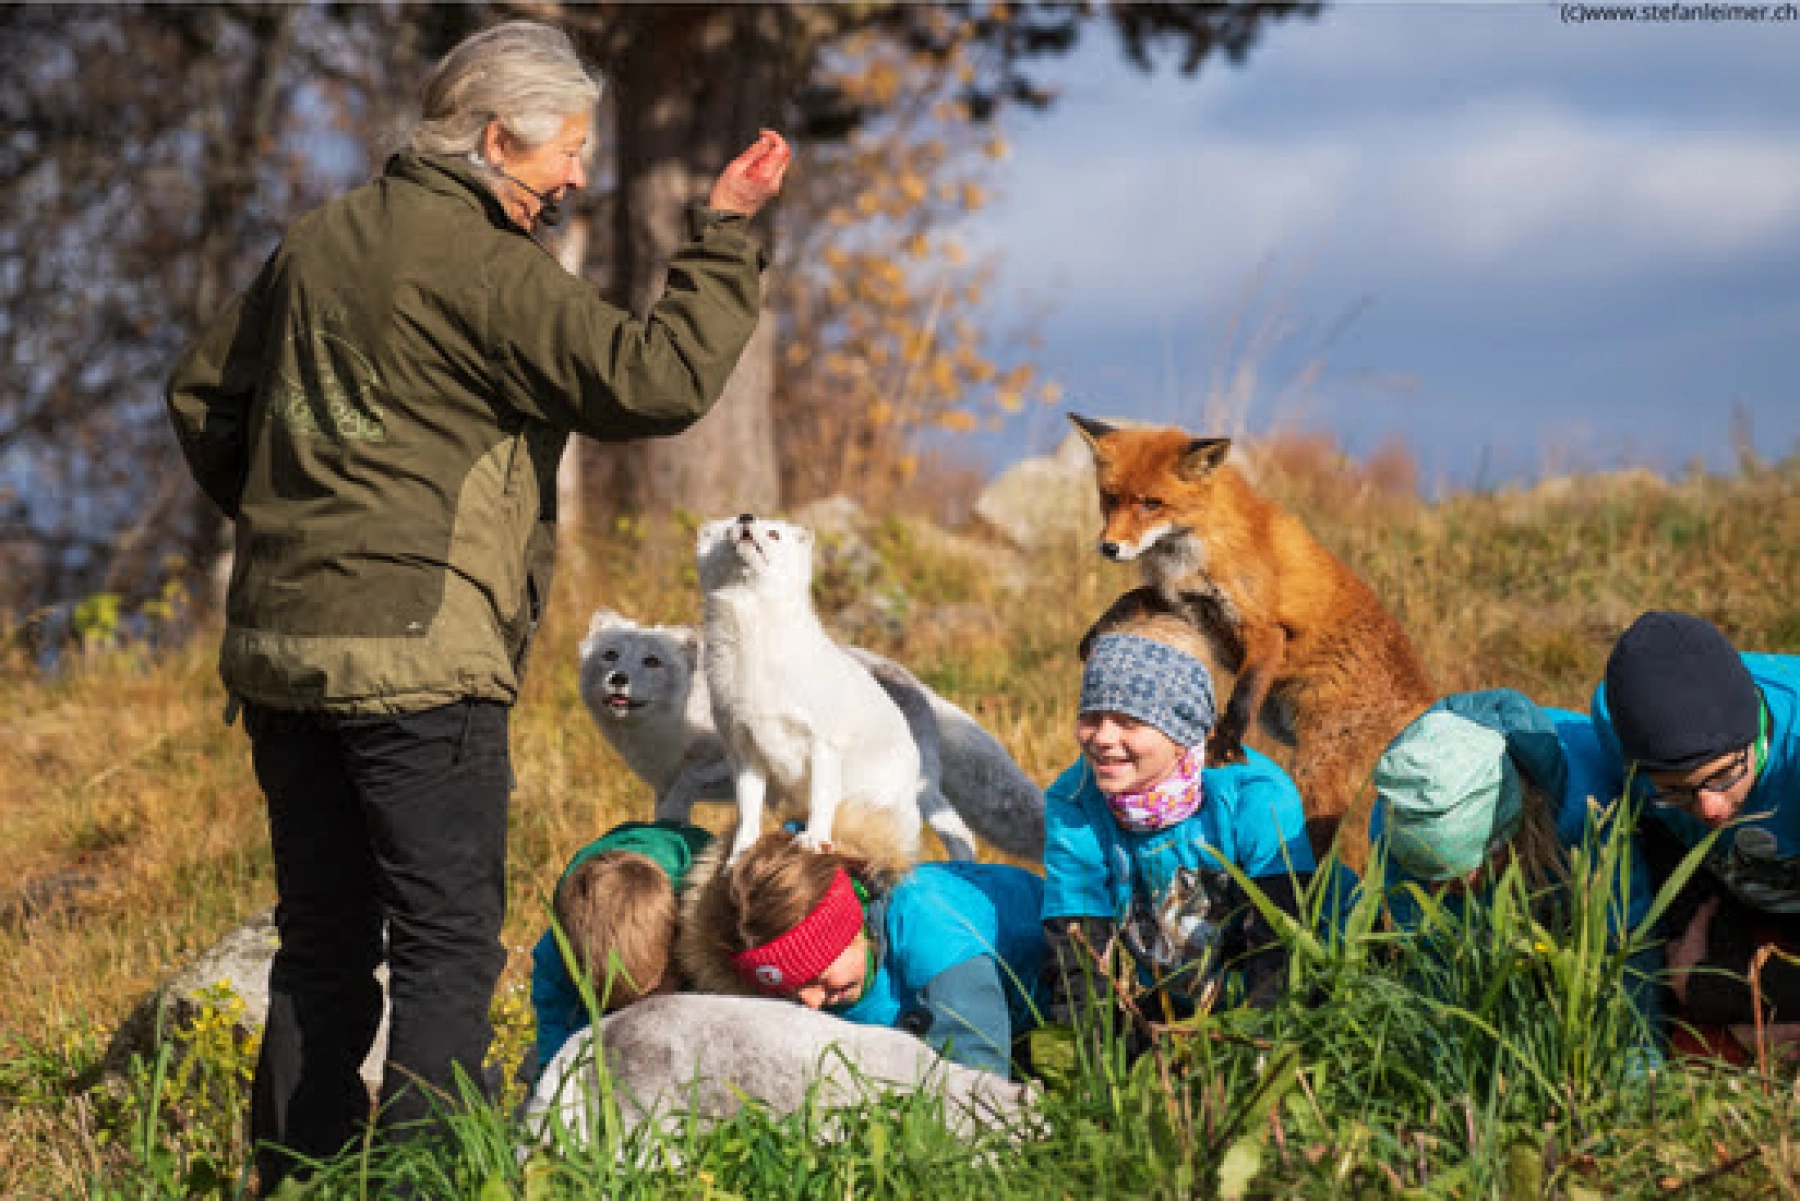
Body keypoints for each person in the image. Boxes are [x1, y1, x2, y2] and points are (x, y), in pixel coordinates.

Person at [163, 19, 789, 1189]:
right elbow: (654, 378)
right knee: (447, 947)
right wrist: (726, 235)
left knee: (322, 942)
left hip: (284, 655)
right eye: (568, 150)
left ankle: (296, 1176)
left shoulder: (318, 240)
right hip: (419, 659)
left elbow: (203, 395)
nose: (578, 175)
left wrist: (291, 524)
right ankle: (422, 1183)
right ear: (498, 138)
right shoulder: (489, 272)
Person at [1040, 629, 1318, 1041]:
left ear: (1182, 732)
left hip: (1276, 986)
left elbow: (1281, 943)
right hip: (1176, 996)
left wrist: (1257, 1046)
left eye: (1128, 722)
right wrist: (1088, 1060)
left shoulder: (1254, 794)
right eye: (1091, 717)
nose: (1102, 738)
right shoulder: (1076, 798)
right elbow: (1078, 944)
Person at [1368, 690, 1663, 1043]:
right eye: (1427, 877)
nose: (1439, 892)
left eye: (1460, 873)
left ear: (1505, 834)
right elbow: (1424, 954)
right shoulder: (1400, 816)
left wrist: (1633, 1049)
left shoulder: (1589, 810)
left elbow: (1626, 944)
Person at [679, 813, 1047, 1078]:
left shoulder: (932, 933)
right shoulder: (831, 978)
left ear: (853, 926)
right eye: (789, 991)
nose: (808, 1001)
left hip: (1054, 1010)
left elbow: (978, 1078)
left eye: (817, 977)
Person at [1590, 610, 1799, 1056]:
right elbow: (1652, 845)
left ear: (1759, 731)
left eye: (1724, 775)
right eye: (1677, 791)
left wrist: (1702, 992)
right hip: (1731, 893)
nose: (1711, 809)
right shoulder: (1615, 724)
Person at [528, 821, 715, 1079]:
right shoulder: (557, 960)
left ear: (675, 953)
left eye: (649, 994)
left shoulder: (704, 924)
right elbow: (557, 1048)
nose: (637, 1012)